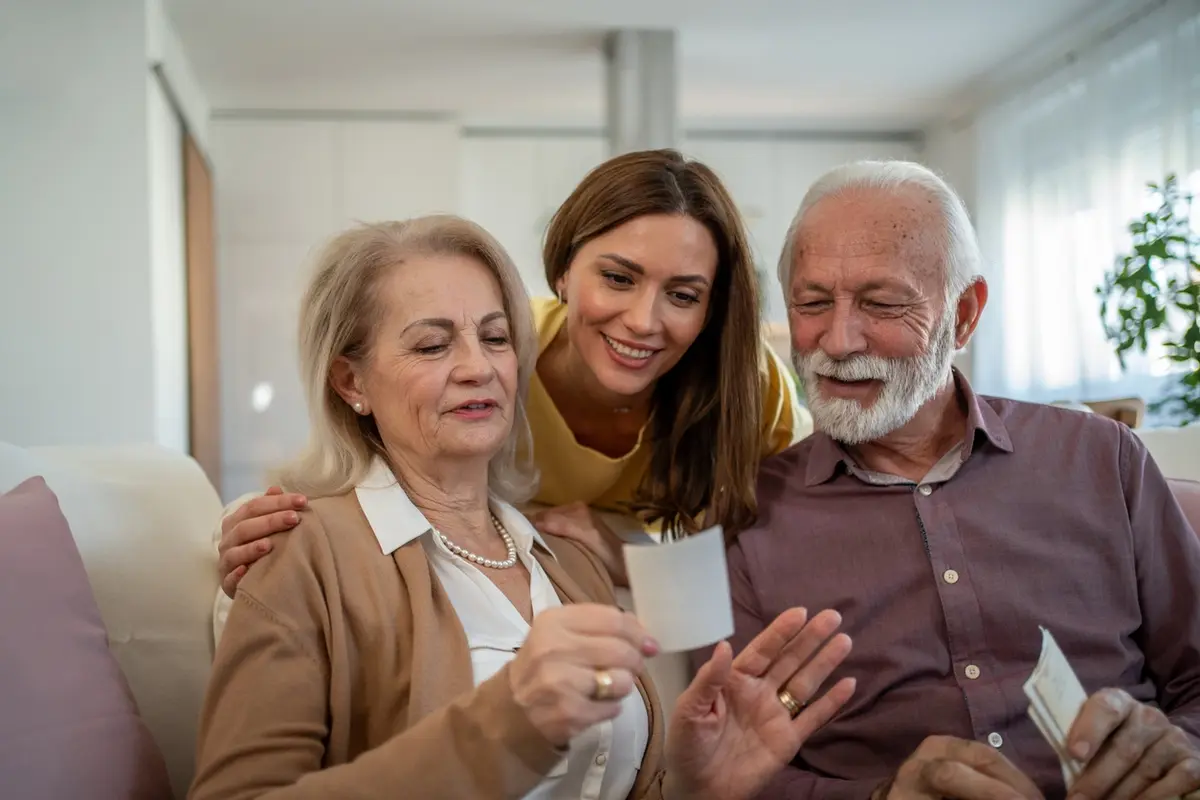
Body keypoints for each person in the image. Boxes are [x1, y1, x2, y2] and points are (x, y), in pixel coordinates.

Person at [189, 215, 855, 800]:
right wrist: (508, 723)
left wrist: (698, 789)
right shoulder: (301, 553)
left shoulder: (571, 563)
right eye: (431, 344)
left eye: (496, 338)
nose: (479, 366)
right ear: (350, 380)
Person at [711, 160, 1200, 800]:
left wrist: (1183, 750)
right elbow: (732, 769)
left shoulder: (1103, 457)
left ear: (964, 314)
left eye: (882, 303)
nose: (836, 339)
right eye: (812, 303)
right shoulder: (752, 513)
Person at [213, 148, 808, 607]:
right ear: (564, 272)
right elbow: (368, 462)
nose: (643, 321)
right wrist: (276, 537)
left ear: (711, 309)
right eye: (618, 278)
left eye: (682, 294)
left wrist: (620, 551)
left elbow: (766, 572)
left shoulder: (744, 388)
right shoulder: (494, 362)